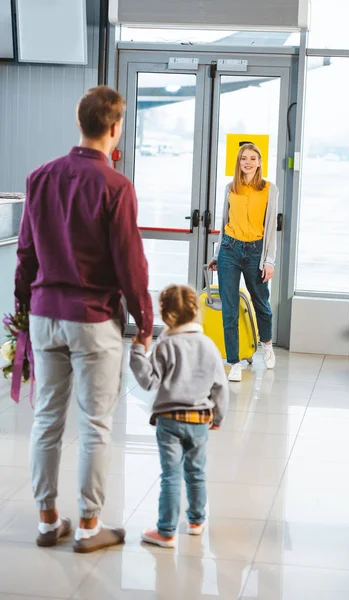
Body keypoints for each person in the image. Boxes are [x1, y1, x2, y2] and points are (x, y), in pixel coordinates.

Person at [14, 85, 153, 553]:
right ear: (114, 128)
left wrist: (21, 313)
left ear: (80, 122)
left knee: (46, 419)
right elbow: (130, 264)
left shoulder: (40, 177)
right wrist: (145, 322)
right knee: (95, 424)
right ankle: (91, 527)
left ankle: (48, 521)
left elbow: (26, 253)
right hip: (93, 318)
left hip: (44, 312)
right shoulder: (116, 186)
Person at [130, 285, 229, 548]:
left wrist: (138, 353)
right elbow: (220, 387)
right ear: (195, 311)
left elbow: (149, 382)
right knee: (196, 472)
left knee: (170, 475)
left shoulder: (165, 346)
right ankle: (196, 522)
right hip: (199, 420)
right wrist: (217, 417)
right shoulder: (209, 346)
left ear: (165, 314)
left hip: (169, 420)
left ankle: (166, 531)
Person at [208, 143, 278, 383]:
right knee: (229, 308)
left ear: (259, 162)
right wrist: (218, 254)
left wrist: (269, 261)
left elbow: (271, 229)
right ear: (238, 163)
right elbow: (224, 221)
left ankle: (267, 344)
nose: (247, 162)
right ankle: (235, 362)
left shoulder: (270, 189)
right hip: (229, 249)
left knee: (261, 303)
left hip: (255, 251)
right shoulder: (230, 188)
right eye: (243, 159)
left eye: (252, 158)